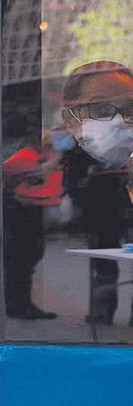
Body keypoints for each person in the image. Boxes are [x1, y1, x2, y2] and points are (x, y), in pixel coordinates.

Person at [55, 61, 133, 324]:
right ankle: (101, 314)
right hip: (101, 210)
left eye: (130, 109)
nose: (119, 122)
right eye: (101, 109)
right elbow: (73, 181)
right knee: (102, 266)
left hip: (118, 209)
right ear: (71, 118)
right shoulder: (77, 152)